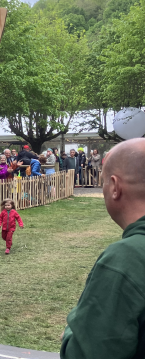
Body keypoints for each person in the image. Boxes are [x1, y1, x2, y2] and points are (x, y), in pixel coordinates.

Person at [60, 138, 145, 359]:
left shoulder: (126, 259)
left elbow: (87, 353)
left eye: (104, 181)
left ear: (115, 187)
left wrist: (74, 329)